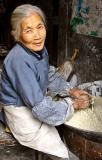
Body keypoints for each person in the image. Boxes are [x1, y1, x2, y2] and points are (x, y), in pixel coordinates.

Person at [0, 4, 91, 160]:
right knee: (60, 150)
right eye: (28, 31)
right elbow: (40, 108)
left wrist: (70, 91)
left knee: (59, 117)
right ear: (17, 35)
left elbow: (46, 73)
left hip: (34, 102)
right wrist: (73, 104)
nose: (37, 35)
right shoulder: (19, 61)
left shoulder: (39, 49)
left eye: (40, 27)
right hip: (20, 112)